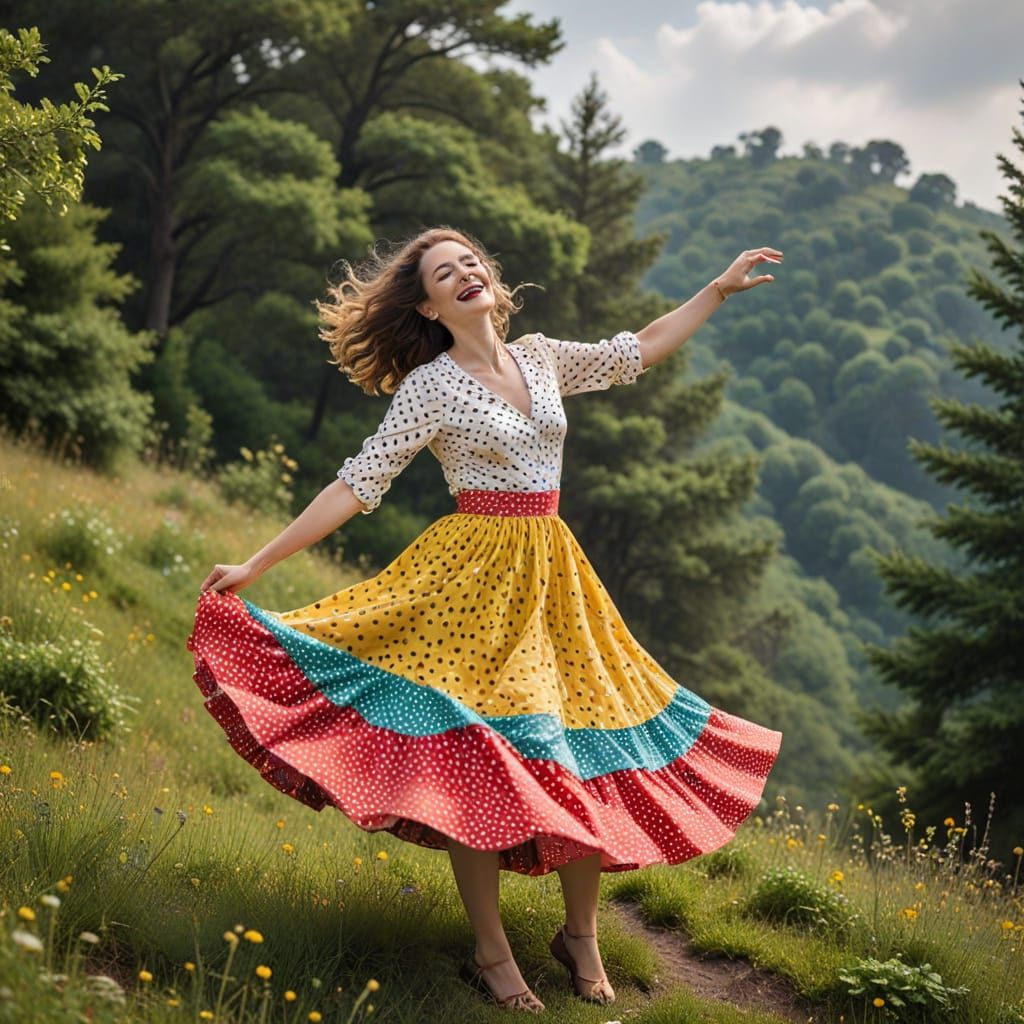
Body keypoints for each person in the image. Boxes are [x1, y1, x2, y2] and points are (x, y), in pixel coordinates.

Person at [187, 226, 784, 1013]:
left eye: (470, 261)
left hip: (555, 577)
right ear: (430, 304)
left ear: (490, 282)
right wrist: (257, 565)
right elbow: (358, 482)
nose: (464, 273)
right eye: (444, 271)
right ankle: (491, 953)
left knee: (579, 743)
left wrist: (716, 288)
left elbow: (634, 350)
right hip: (471, 585)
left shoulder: (538, 354)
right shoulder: (430, 386)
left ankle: (580, 935)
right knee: (481, 747)